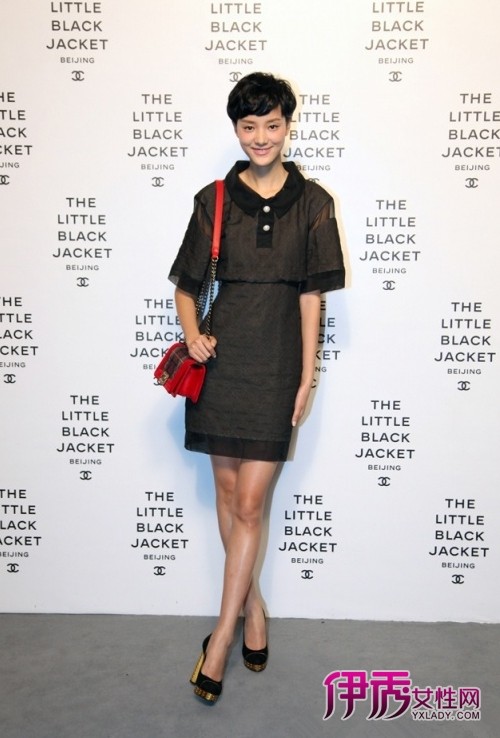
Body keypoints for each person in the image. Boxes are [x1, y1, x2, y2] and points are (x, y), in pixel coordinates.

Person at [169, 72, 345, 704]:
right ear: (236, 130)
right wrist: (193, 336)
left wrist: (306, 374)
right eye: (250, 126)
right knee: (226, 492)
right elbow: (187, 287)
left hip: (274, 368)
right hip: (221, 365)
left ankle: (219, 640)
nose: (262, 137)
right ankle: (254, 610)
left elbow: (312, 297)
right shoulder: (212, 200)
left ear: (288, 126)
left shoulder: (315, 202)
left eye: (273, 125)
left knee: (249, 503)